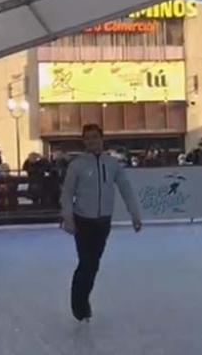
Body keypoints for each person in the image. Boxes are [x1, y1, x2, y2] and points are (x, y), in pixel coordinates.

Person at [60, 124, 142, 322]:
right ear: (84, 141)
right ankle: (79, 306)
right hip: (83, 221)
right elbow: (67, 193)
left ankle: (84, 300)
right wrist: (68, 218)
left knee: (93, 265)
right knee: (86, 264)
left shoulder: (112, 164)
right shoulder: (77, 165)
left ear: (101, 139)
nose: (92, 141)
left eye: (95, 137)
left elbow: (126, 189)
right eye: (88, 138)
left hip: (103, 222)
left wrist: (135, 214)